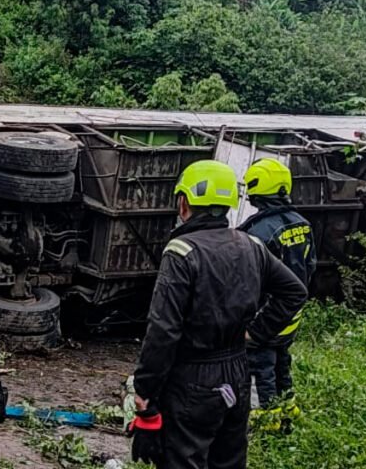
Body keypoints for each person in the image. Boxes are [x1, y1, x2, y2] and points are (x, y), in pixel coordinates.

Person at [131, 160, 308, 469]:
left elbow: (163, 331)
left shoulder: (182, 252)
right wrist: (256, 333)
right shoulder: (251, 244)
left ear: (184, 202)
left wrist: (145, 394)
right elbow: (294, 291)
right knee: (229, 462)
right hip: (237, 373)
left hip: (192, 379)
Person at [237, 158, 316, 432]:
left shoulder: (256, 233)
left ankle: (266, 424)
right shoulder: (302, 224)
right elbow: (310, 267)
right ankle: (288, 413)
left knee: (260, 369)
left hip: (263, 320)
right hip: (290, 317)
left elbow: (249, 282)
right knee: (282, 363)